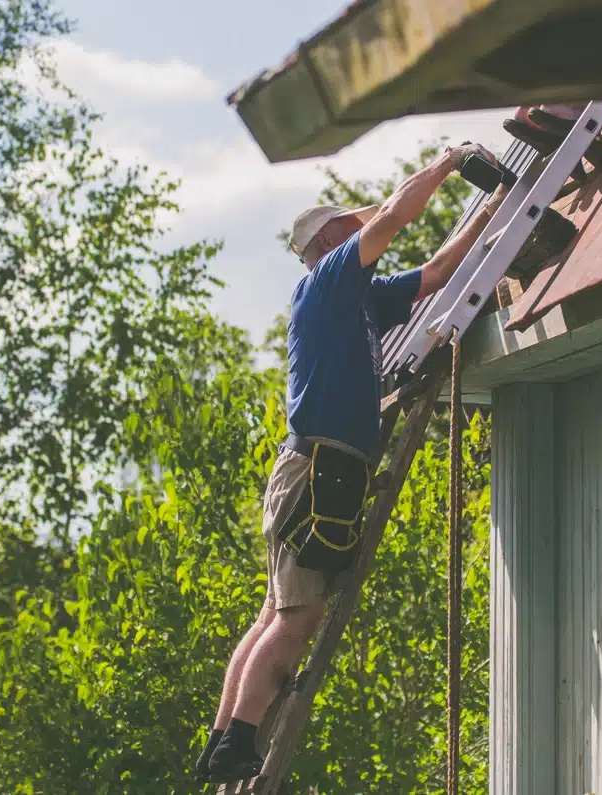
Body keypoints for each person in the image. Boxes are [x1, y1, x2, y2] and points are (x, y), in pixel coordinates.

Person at [195, 141, 510, 783]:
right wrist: (449, 163)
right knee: (298, 617)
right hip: (318, 470)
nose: (361, 229)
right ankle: (239, 741)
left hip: (313, 467)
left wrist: (492, 207)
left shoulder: (358, 296)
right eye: (347, 226)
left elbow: (436, 272)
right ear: (328, 242)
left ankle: (224, 738)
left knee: (273, 612)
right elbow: (391, 216)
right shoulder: (330, 278)